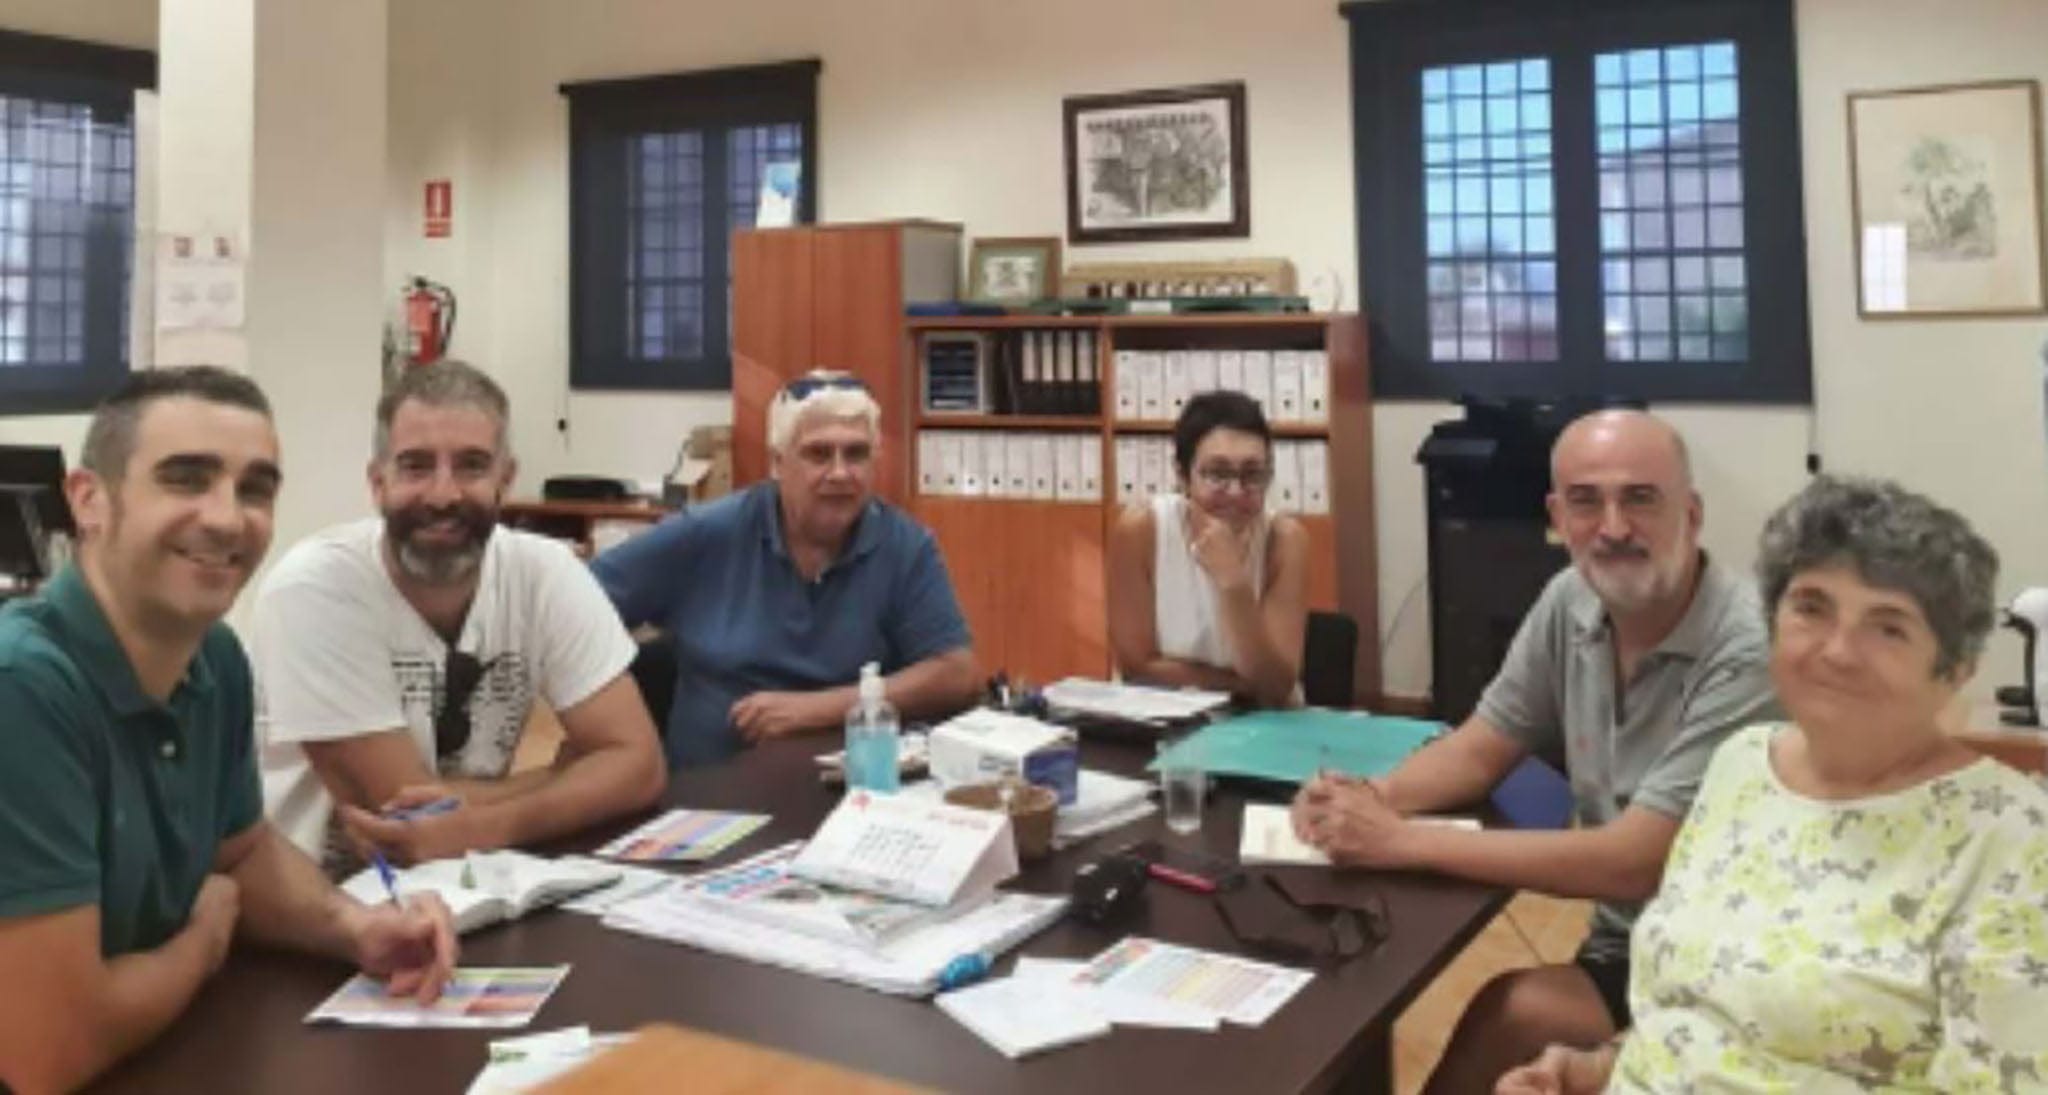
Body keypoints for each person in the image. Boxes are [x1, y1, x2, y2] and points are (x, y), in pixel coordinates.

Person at [1499, 476, 2048, 1094]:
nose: (1838, 652)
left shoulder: (2013, 841)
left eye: (1889, 627)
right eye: (1812, 608)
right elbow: (1702, 1009)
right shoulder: (1743, 766)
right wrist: (1598, 1070)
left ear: (1956, 669)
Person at [1291, 409, 1780, 1094]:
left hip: (1735, 963)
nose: (1613, 527)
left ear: (1691, 513)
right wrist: (1367, 799)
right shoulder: (1571, 599)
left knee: (1517, 1014)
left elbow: (1635, 861)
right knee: (1497, 1018)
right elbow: (1479, 748)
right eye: (1586, 501)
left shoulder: (1749, 647)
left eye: (1640, 498)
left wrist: (1401, 840)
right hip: (1632, 940)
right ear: (1556, 516)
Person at [0, 367, 456, 1092]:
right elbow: (50, 1051)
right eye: (186, 479)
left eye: (255, 489)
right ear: (88, 500)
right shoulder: (22, 687)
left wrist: (353, 924)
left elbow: (239, 854)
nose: (226, 517)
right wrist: (204, 939)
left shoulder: (214, 656)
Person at [254, 360, 665, 869]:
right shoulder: (316, 589)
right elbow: (400, 815)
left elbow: (640, 765)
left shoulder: (545, 571)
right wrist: (565, 776)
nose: (443, 494)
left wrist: (479, 826)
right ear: (378, 482)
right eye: (416, 466)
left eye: (471, 466)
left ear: (505, 481)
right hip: (321, 894)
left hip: (473, 877)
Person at [594, 370, 980, 766]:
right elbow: (575, 608)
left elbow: (957, 673)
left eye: (856, 454)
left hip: (853, 784)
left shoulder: (904, 546)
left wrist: (817, 709)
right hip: (715, 788)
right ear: (778, 463)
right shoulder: (706, 534)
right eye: (818, 454)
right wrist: (608, 731)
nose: (840, 473)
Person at [1107, 390, 1309, 707]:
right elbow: (1138, 668)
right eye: (1217, 474)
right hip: (1161, 713)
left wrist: (1234, 585)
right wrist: (1240, 685)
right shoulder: (1142, 529)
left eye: (1252, 475)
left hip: (1260, 721)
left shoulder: (1284, 539)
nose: (1236, 492)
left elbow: (1274, 689)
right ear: (1183, 475)